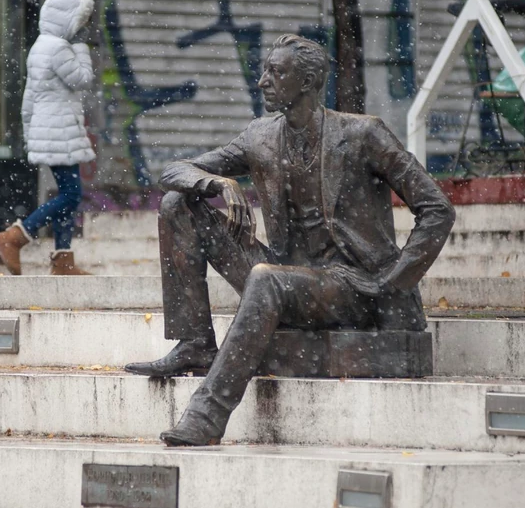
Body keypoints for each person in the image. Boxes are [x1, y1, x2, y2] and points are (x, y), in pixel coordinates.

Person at [124, 34, 455, 446]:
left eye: (276, 72)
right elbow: (174, 170)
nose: (263, 81)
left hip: (353, 285)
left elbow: (437, 208)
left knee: (267, 278)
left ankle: (206, 416)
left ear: (308, 82)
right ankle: (195, 343)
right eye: (265, 70)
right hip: (286, 277)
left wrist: (393, 282)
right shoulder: (260, 136)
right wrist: (216, 183)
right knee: (178, 203)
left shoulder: (362, 134)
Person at [0, 0, 96, 276]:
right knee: (72, 194)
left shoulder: (39, 47)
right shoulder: (59, 48)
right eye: (79, 22)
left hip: (48, 128)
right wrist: (82, 48)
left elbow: (30, 97)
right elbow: (83, 79)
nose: (81, 28)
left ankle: (63, 261)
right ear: (67, 21)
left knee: (66, 193)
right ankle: (15, 236)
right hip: (59, 129)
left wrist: (30, 132)